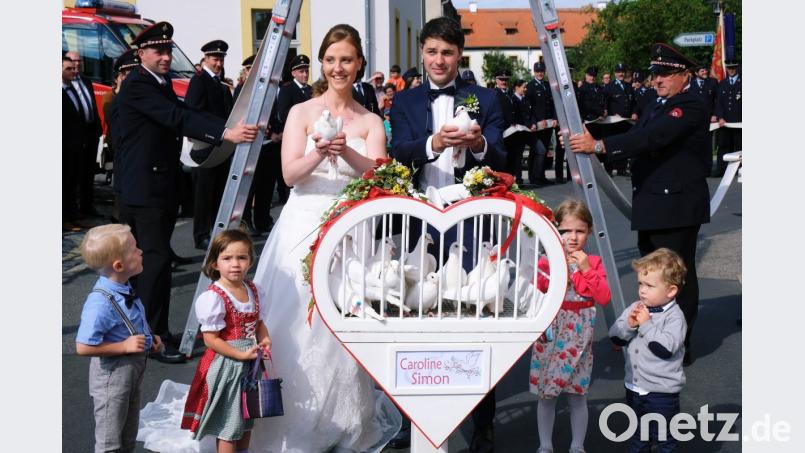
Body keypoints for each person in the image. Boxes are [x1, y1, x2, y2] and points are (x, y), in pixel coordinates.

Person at [246, 23, 400, 452]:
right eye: (331, 60)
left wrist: (345, 150)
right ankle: (290, 419)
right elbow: (290, 174)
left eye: (346, 60)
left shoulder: (370, 121)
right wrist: (319, 151)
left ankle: (345, 421)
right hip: (303, 221)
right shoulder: (301, 111)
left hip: (351, 228)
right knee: (296, 319)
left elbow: (381, 176)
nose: (338, 68)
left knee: (345, 318)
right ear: (322, 64)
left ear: (359, 65)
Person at [389, 16, 506, 452]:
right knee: (410, 311)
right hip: (418, 222)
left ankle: (483, 422)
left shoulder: (485, 98)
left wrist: (477, 144)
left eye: (448, 52)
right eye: (433, 51)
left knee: (478, 314)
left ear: (460, 56)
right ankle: (410, 416)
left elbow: (501, 149)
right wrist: (432, 145)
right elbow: (398, 151)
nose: (439, 60)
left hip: (471, 221)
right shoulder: (404, 102)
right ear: (422, 52)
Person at [116, 21, 258, 363]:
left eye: (168, 50)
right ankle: (151, 337)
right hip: (144, 188)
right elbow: (175, 116)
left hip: (157, 185)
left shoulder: (158, 82)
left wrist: (223, 128)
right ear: (141, 54)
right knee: (154, 262)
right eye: (158, 51)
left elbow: (186, 112)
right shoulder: (138, 84)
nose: (166, 57)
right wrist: (225, 133)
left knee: (153, 261)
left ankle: (152, 331)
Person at [568, 43, 709, 367]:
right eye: (654, 73)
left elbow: (653, 138)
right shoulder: (659, 104)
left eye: (665, 74)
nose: (657, 79)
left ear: (684, 75)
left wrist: (600, 145)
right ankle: (656, 336)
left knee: (675, 280)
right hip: (654, 205)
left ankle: (676, 346)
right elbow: (638, 131)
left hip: (676, 207)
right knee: (653, 279)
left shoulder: (689, 104)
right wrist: (596, 133)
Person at [530, 200, 611, 453]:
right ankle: (546, 445)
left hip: (579, 336)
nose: (573, 237)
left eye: (580, 230)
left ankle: (577, 445)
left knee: (577, 394)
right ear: (555, 230)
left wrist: (586, 268)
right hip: (551, 333)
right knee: (547, 394)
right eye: (565, 230)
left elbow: (604, 296)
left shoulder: (594, 262)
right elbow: (534, 294)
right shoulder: (547, 262)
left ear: (588, 231)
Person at [181, 229, 272, 452]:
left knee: (246, 418)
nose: (235, 264)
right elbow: (211, 340)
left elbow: (258, 324)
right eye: (227, 258)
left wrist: (265, 339)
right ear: (214, 263)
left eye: (242, 257)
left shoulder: (254, 290)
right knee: (229, 425)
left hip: (250, 364)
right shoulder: (214, 297)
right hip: (227, 366)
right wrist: (240, 354)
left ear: (250, 260)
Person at [75, 224, 163, 453]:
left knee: (128, 436)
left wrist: (149, 338)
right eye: (135, 249)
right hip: (111, 378)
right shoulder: (100, 303)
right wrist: (123, 346)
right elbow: (83, 346)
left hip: (132, 373)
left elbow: (128, 322)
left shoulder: (123, 288)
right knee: (110, 442)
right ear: (119, 265)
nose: (141, 252)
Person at [609, 248, 687, 453]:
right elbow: (615, 337)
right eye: (640, 284)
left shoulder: (675, 318)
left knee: (665, 440)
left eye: (649, 285)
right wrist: (630, 324)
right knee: (638, 436)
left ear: (671, 291)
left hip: (661, 393)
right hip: (634, 388)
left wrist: (645, 325)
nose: (642, 290)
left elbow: (664, 349)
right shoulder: (637, 307)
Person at [186, 40, 235, 250]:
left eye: (221, 59)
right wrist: (218, 130)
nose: (219, 63)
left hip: (220, 146)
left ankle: (216, 232)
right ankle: (201, 235)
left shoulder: (220, 84)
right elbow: (194, 111)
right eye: (215, 58)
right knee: (204, 194)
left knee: (218, 192)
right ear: (205, 59)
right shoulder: (199, 81)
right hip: (205, 146)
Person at [103, 49, 140, 224]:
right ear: (119, 76)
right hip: (124, 160)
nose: (130, 77)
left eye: (134, 72)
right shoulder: (115, 100)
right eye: (126, 74)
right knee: (125, 212)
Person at [65, 50, 103, 219]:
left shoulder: (86, 81)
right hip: (76, 135)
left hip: (91, 132)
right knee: (74, 173)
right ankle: (73, 209)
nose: (77, 64)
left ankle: (87, 205)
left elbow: (90, 105)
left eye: (79, 61)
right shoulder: (66, 83)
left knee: (89, 172)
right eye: (73, 61)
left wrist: (97, 127)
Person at [274, 54, 313, 204]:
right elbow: (283, 113)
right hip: (295, 136)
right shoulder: (287, 89)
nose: (305, 74)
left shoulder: (311, 89)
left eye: (306, 71)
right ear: (293, 73)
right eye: (301, 71)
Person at [526, 61, 559, 185]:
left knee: (545, 150)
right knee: (536, 150)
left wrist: (555, 118)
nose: (540, 73)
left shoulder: (547, 85)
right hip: (537, 125)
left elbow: (554, 103)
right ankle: (533, 177)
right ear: (534, 72)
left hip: (549, 124)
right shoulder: (530, 86)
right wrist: (536, 121)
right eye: (538, 71)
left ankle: (541, 175)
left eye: (542, 71)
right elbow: (528, 107)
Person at [602, 63, 635, 176]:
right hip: (613, 121)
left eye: (622, 72)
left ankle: (621, 168)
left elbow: (633, 102)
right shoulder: (609, 87)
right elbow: (605, 104)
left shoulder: (628, 86)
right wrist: (611, 113)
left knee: (624, 144)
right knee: (611, 144)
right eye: (618, 72)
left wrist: (634, 112)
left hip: (626, 121)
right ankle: (609, 169)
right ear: (615, 73)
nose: (621, 74)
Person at [712, 59, 741, 177]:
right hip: (725, 122)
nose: (731, 70)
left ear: (737, 67)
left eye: (733, 67)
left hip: (740, 122)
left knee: (740, 147)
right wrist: (720, 117)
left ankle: (739, 170)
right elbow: (719, 102)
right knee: (723, 146)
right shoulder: (723, 83)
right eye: (729, 68)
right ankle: (721, 170)